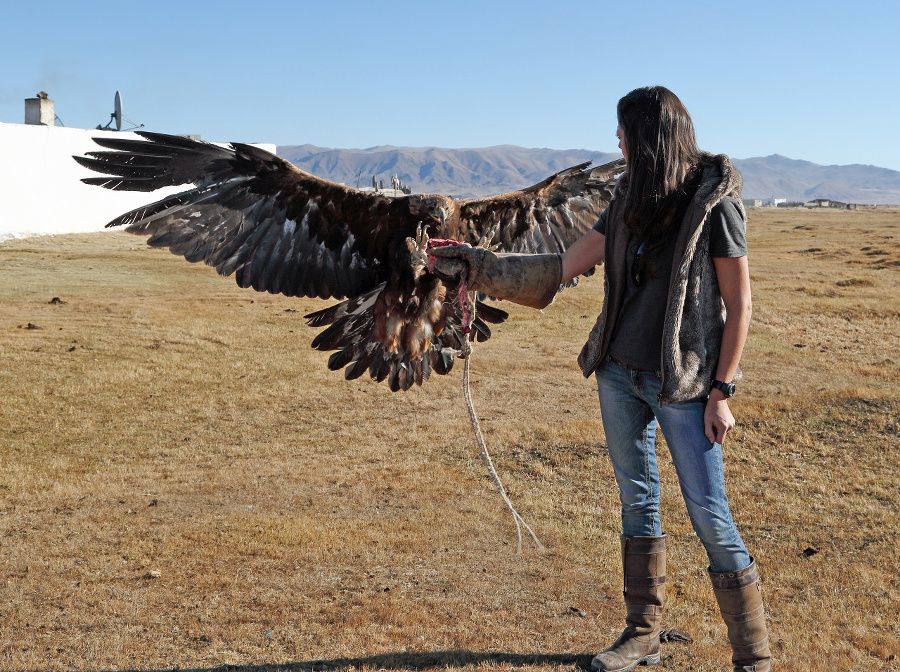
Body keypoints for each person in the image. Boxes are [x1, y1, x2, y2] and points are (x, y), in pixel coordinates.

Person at [430, 86, 771, 672]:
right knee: (638, 502)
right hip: (617, 376)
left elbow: (739, 307)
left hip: (685, 387)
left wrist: (722, 391)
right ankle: (642, 636)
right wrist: (478, 265)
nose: (615, 141)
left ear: (648, 136)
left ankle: (754, 658)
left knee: (710, 515)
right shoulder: (627, 199)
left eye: (622, 131)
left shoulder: (717, 206)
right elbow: (562, 267)